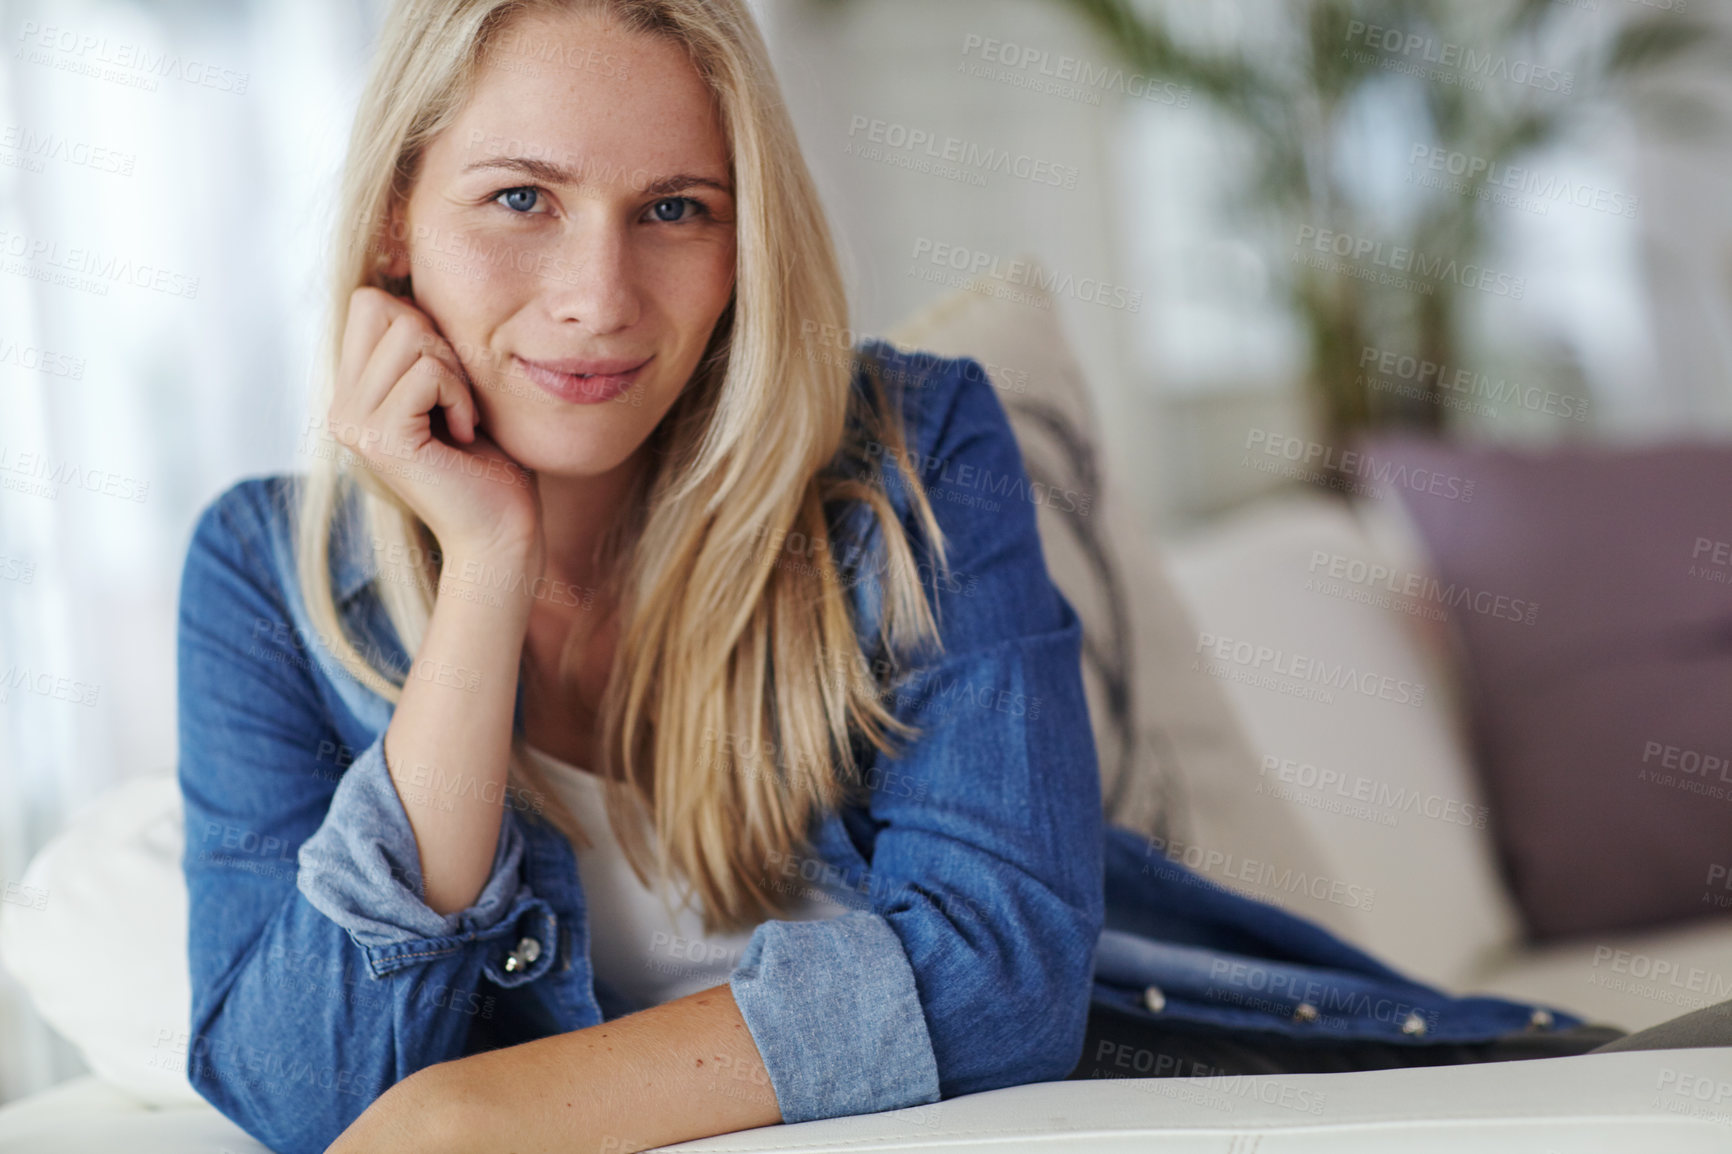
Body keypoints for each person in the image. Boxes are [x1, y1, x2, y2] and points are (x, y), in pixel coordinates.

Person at [174, 2, 1704, 1153]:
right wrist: (489, 563)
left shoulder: (911, 449)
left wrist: (484, 1111)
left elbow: (1006, 979)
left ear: (744, 237)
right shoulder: (256, 574)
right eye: (520, 199)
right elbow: (301, 1084)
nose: (598, 299)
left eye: (675, 210)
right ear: (395, 221)